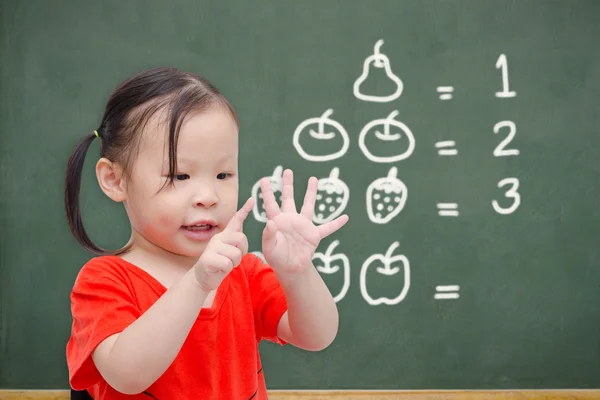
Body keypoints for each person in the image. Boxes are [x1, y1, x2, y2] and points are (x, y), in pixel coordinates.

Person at [64, 67, 349, 399]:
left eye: (224, 174)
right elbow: (127, 375)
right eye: (180, 176)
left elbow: (318, 336)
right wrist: (197, 283)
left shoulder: (243, 272)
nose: (208, 196)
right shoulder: (104, 281)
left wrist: (297, 274)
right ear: (115, 180)